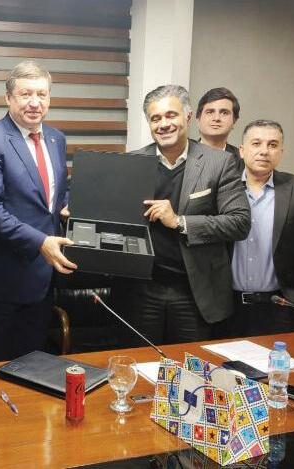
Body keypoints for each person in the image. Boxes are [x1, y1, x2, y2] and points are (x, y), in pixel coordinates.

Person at [116, 85, 250, 344]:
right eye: (156, 118)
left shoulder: (219, 163)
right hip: (142, 290)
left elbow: (239, 222)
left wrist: (179, 221)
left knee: (191, 365)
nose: (164, 124)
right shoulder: (132, 163)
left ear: (188, 118)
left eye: (171, 115)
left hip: (194, 292)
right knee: (143, 362)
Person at [0, 60, 75, 362]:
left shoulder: (56, 138)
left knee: (34, 363)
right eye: (26, 94)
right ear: (8, 98)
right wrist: (40, 242)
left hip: (44, 277)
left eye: (42, 94)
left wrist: (68, 204)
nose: (34, 103)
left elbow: (55, 193)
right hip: (4, 280)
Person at [230, 120, 294, 336]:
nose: (264, 151)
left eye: (272, 145)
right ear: (242, 150)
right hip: (227, 306)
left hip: (280, 305)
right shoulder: (224, 187)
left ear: (281, 152)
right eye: (256, 143)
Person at [196, 87, 241, 160]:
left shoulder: (243, 160)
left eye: (224, 113)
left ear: (234, 121)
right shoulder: (182, 154)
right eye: (210, 112)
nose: (216, 118)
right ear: (198, 119)